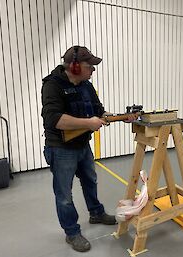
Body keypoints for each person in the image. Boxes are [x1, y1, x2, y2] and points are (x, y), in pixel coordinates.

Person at [41, 45, 136, 252]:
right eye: (89, 66)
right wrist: (88, 124)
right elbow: (54, 119)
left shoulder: (86, 85)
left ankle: (96, 213)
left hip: (82, 144)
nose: (93, 70)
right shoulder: (52, 85)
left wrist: (121, 118)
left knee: (90, 180)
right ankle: (72, 232)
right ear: (74, 67)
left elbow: (99, 112)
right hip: (61, 148)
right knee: (64, 194)